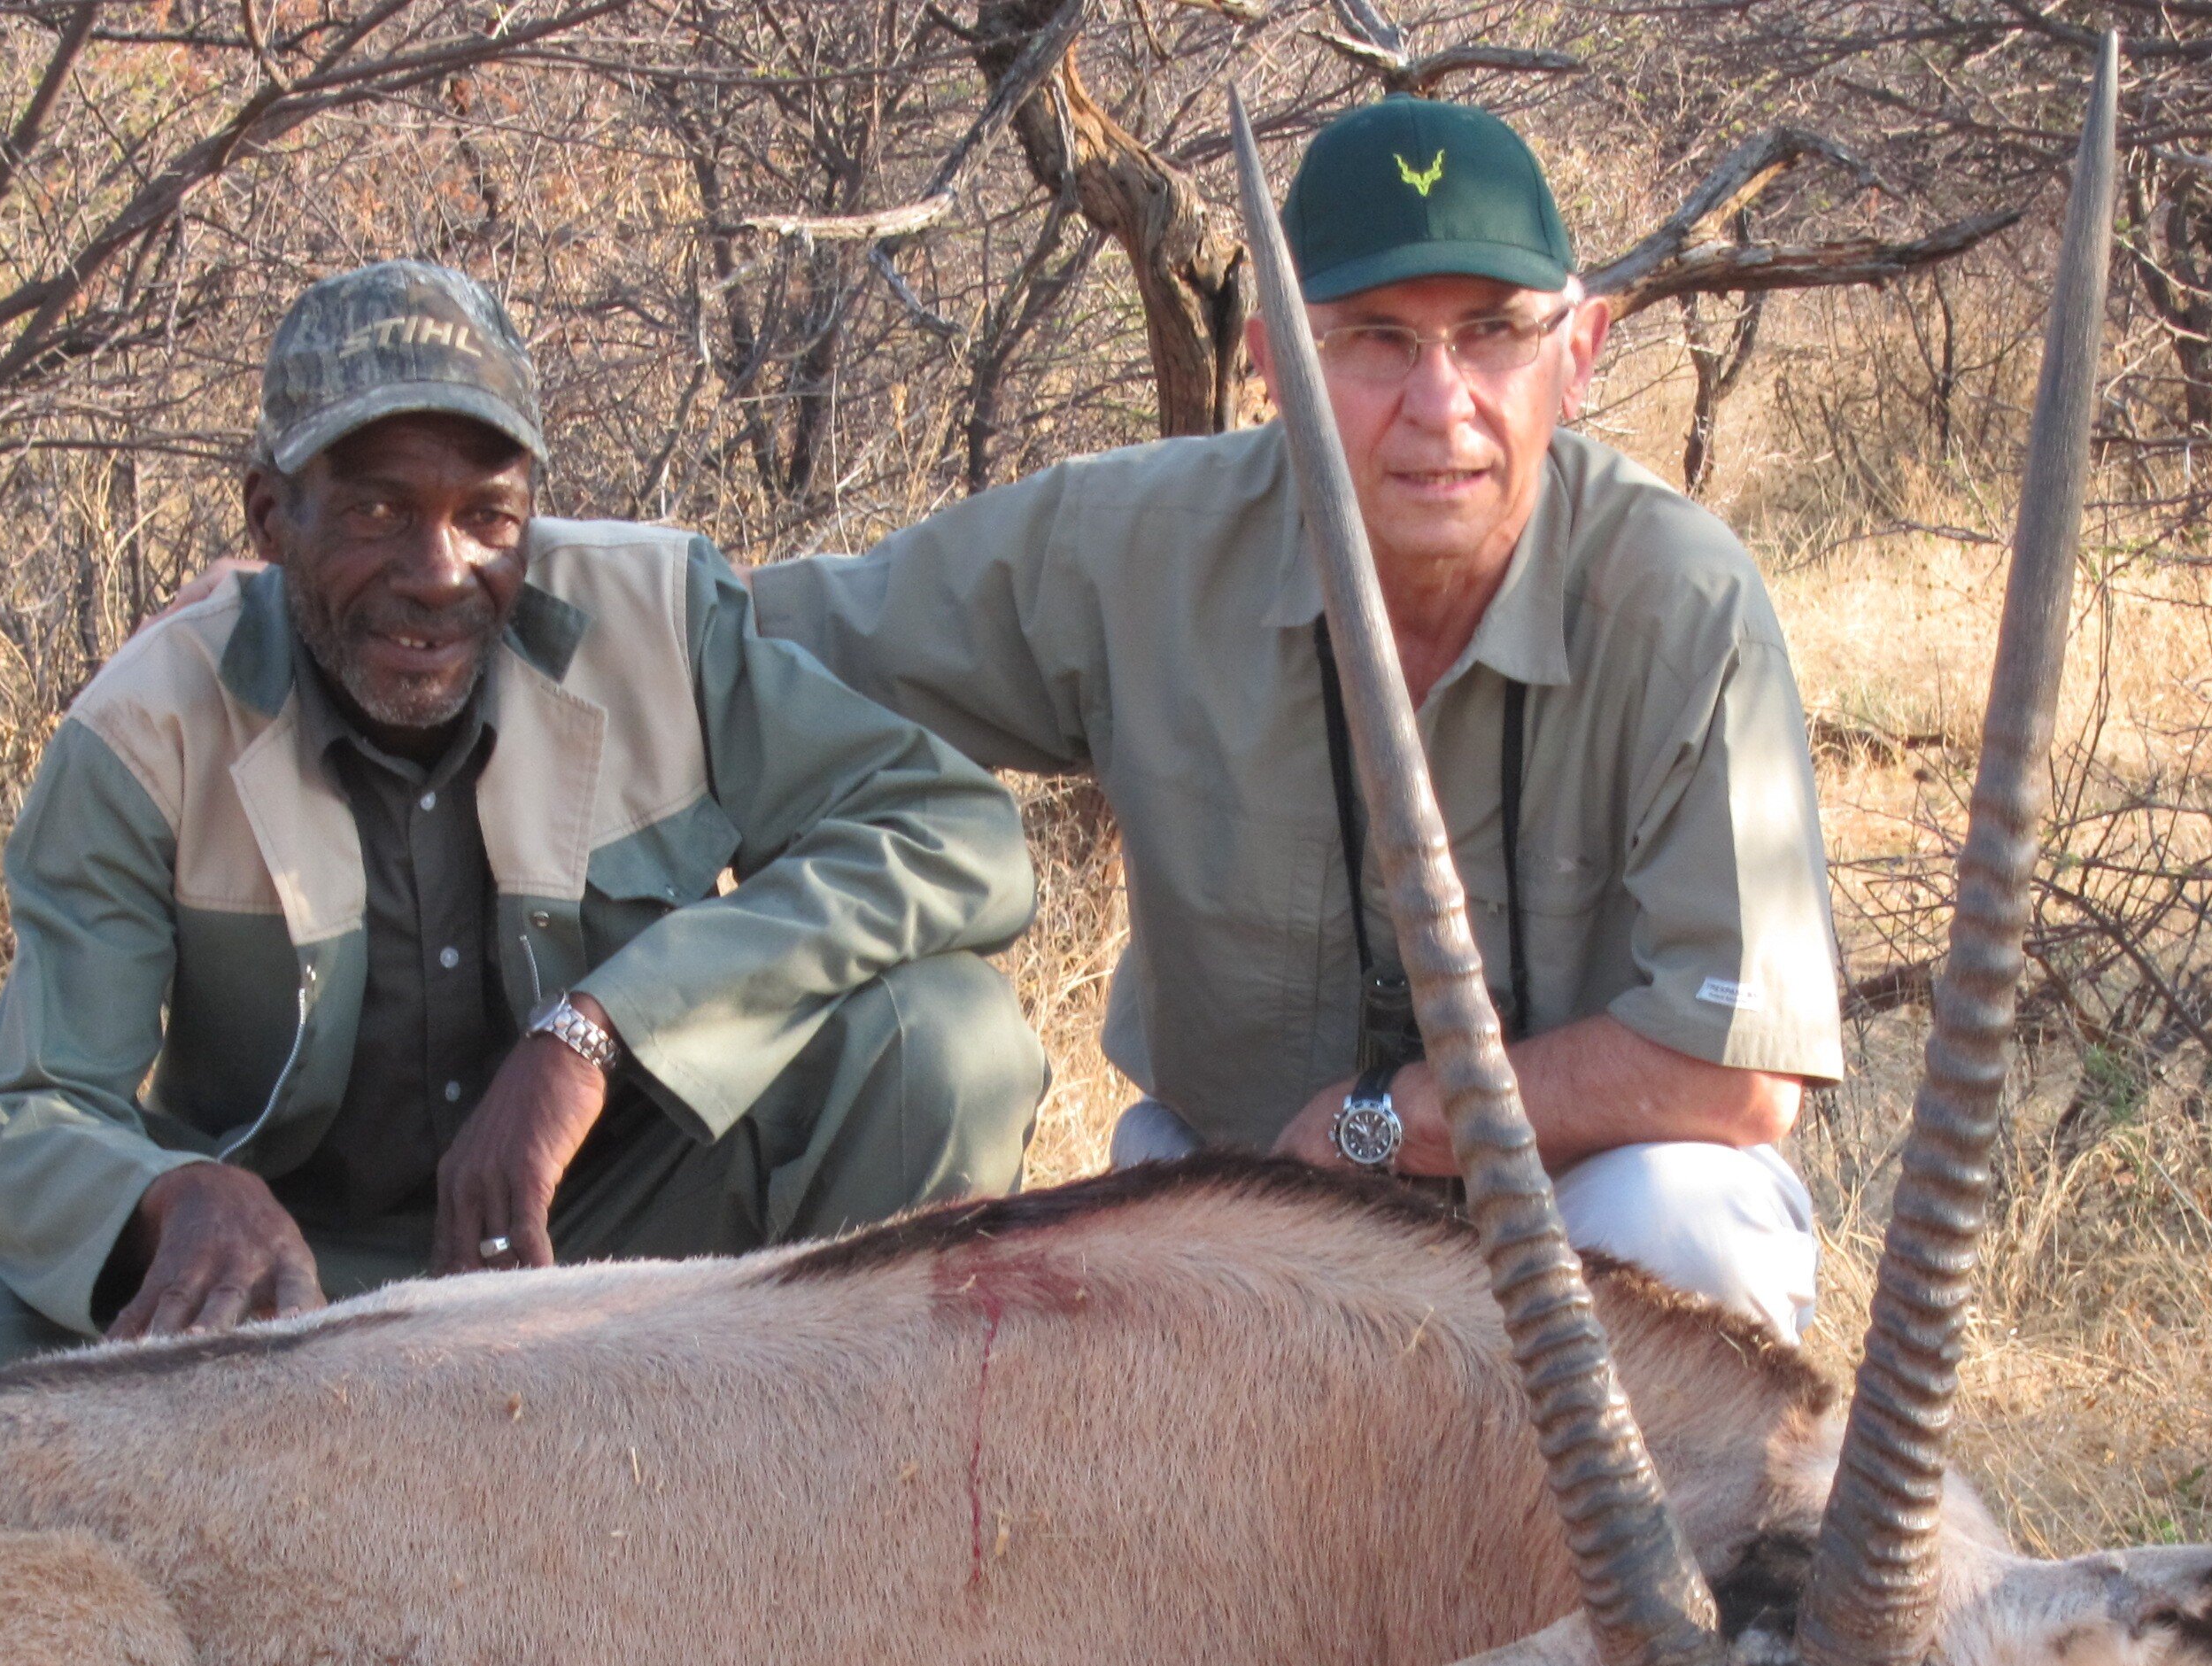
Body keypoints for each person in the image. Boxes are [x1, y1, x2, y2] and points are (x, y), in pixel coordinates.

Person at [0, 261, 1046, 1424]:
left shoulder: (657, 619)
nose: (437, 570)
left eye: (487, 515)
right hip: (299, 1285)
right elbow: (25, 1111)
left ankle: (840, 1507)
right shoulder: (148, 729)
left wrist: (596, 1034)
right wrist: (172, 1195)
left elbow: (950, 835)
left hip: (611, 1225)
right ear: (269, 516)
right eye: (374, 509)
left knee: (945, 1040)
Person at [752, 98, 1841, 1341]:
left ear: (1579, 350)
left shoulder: (1684, 601)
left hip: (1567, 1207)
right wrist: (510, 560)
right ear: (1274, 363)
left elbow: (1743, 1068)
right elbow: (786, 637)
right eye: (1376, 341)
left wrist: (1392, 1119)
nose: (1441, 405)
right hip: (1227, 1200)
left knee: (1692, 1220)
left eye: (1492, 336)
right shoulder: (1135, 546)